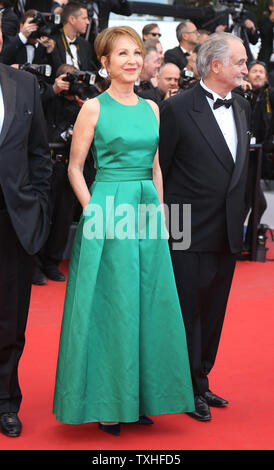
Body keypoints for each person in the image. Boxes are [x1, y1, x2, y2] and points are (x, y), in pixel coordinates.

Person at [53, 25, 194, 435]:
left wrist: (162, 217)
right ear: (105, 63)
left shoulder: (152, 108)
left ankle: (140, 397)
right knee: (112, 306)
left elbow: (154, 167)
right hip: (108, 208)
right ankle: (108, 402)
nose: (132, 60)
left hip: (146, 210)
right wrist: (93, 212)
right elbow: (75, 169)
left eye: (136, 52)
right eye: (122, 55)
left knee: (148, 302)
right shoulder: (93, 108)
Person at [159, 32, 251, 422]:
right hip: (185, 226)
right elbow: (160, 169)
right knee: (187, 310)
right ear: (216, 66)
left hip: (228, 227)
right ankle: (186, 387)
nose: (246, 68)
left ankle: (202, 378)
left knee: (214, 310)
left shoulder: (243, 107)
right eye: (241, 61)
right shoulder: (178, 109)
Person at [0, 15, 52, 437]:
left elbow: (39, 153)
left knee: (9, 318)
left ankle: (4, 400)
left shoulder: (23, 85)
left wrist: (38, 209)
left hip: (12, 220)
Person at [50, 1, 97, 79]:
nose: (88, 22)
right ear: (72, 19)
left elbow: (90, 70)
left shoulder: (85, 44)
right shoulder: (52, 42)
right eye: (84, 18)